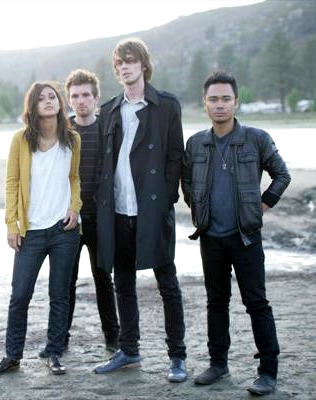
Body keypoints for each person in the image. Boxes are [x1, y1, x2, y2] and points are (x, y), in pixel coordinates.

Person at [182, 71, 291, 396]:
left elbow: (281, 175)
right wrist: (199, 210)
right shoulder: (196, 143)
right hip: (210, 238)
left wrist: (262, 205)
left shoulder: (256, 138)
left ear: (236, 102)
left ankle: (267, 371)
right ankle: (218, 363)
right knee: (216, 302)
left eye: (225, 99)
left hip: (246, 237)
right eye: (213, 99)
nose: (220, 105)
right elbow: (186, 180)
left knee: (256, 302)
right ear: (205, 103)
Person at [93, 38, 187, 382]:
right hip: (118, 210)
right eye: (119, 63)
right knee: (123, 283)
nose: (124, 67)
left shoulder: (166, 105)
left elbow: (175, 156)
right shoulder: (109, 109)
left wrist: (165, 199)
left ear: (144, 65)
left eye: (130, 61)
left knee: (167, 285)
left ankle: (177, 357)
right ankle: (129, 350)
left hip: (151, 208)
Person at [0, 81, 81, 376]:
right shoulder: (20, 140)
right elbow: (12, 182)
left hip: (64, 230)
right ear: (33, 106)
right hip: (30, 231)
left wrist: (75, 208)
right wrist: (11, 224)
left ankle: (53, 353)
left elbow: (74, 178)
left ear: (60, 103)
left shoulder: (72, 139)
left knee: (60, 295)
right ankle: (12, 356)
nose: (49, 101)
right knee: (20, 295)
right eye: (42, 98)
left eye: (53, 96)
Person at [57, 69, 119, 353]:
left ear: (96, 98)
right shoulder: (63, 132)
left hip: (101, 218)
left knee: (103, 278)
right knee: (65, 281)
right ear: (69, 100)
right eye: (75, 96)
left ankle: (112, 337)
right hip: (68, 218)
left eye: (85, 95)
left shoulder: (108, 129)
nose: (80, 101)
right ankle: (60, 337)